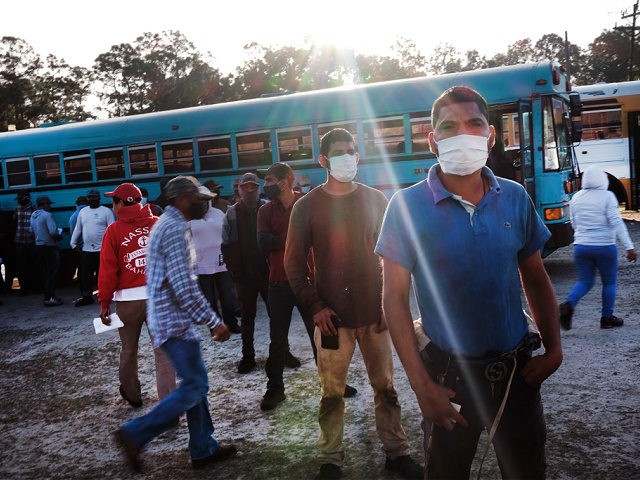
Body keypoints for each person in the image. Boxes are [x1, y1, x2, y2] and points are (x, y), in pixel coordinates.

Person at [375, 86, 563, 479]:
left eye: (474, 124)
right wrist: (421, 386)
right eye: (449, 126)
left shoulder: (514, 198)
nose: (463, 134)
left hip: (517, 372)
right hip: (448, 378)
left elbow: (535, 276)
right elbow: (393, 298)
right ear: (433, 140)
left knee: (527, 470)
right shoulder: (406, 207)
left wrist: (554, 350)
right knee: (447, 471)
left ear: (491, 137)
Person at [284, 128, 423, 480]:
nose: (347, 157)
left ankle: (397, 452)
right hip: (332, 322)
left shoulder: (377, 200)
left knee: (386, 389)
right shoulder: (307, 207)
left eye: (352, 151)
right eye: (339, 152)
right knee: (331, 394)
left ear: (358, 156)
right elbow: (293, 263)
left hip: (376, 317)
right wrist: (315, 306)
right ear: (323, 160)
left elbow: (394, 256)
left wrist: (390, 305)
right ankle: (330, 460)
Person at [113, 176, 237, 472]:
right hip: (174, 322)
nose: (205, 204)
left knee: (196, 386)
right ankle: (135, 433)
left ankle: (203, 448)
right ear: (183, 199)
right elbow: (183, 287)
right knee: (195, 385)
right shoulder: (174, 229)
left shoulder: (166, 225)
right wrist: (214, 321)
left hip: (169, 320)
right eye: (200, 199)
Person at [98, 182, 176, 409]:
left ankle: (132, 393)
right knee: (163, 352)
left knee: (129, 349)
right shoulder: (160, 224)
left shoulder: (113, 231)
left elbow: (107, 271)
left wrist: (104, 302)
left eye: (114, 201)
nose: (112, 205)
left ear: (121, 203)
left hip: (128, 302)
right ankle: (169, 405)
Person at [257, 162, 320, 410]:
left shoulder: (307, 204)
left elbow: (319, 238)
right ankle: (274, 390)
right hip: (278, 283)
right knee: (277, 341)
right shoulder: (265, 211)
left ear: (286, 180)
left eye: (270, 180)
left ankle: (332, 382)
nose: (266, 185)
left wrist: (280, 240)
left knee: (320, 337)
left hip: (308, 281)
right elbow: (263, 243)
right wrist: (297, 237)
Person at [559, 165, 637, 330]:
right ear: (602, 179)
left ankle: (569, 304)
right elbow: (616, 222)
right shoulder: (608, 196)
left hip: (581, 246)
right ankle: (607, 318)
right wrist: (629, 247)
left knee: (585, 281)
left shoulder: (576, 197)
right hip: (604, 246)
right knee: (609, 283)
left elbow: (573, 222)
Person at [189, 185, 241, 334]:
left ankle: (231, 323)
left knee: (227, 295)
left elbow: (229, 233)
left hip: (221, 261)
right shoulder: (187, 217)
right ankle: (215, 327)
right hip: (200, 263)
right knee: (208, 298)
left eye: (205, 200)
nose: (202, 203)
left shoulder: (218, 213)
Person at [70, 189, 115, 306]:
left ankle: (105, 296)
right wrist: (73, 243)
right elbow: (78, 228)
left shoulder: (106, 211)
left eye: (94, 197)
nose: (92, 199)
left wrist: (111, 247)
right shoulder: (83, 212)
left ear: (99, 198)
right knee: (85, 275)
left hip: (102, 250)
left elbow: (111, 230)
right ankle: (87, 297)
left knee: (103, 275)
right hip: (86, 250)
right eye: (90, 198)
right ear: (87, 199)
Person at [30, 195, 63, 307]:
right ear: (44, 205)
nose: (49, 206)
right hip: (49, 247)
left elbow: (31, 232)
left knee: (45, 273)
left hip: (38, 247)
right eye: (48, 204)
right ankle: (50, 298)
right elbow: (53, 232)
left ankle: (47, 297)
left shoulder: (33, 215)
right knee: (51, 274)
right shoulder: (47, 215)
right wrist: (59, 236)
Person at [13, 190, 36, 296]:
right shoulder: (17, 209)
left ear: (27, 198)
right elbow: (14, 222)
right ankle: (24, 289)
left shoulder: (34, 209)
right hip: (19, 242)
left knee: (33, 266)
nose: (19, 201)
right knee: (21, 267)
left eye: (20, 199)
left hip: (31, 242)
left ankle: (33, 287)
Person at [68, 195, 88, 282]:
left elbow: (72, 234)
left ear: (77, 204)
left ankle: (83, 288)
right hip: (92, 246)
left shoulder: (73, 217)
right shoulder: (90, 214)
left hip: (80, 247)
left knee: (82, 267)